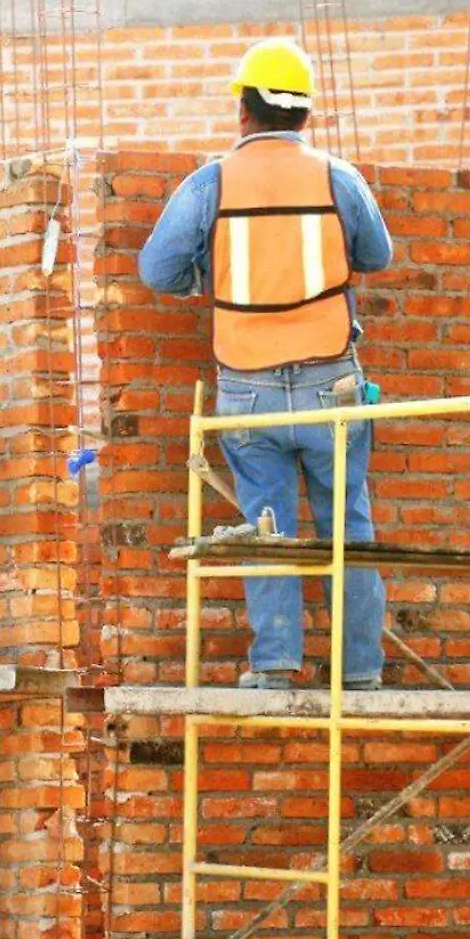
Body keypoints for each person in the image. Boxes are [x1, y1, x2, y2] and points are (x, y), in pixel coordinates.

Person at [137, 38, 395, 691]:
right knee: (350, 529)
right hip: (330, 384)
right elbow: (377, 255)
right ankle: (360, 673)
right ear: (304, 114)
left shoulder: (211, 182)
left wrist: (209, 274)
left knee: (267, 530)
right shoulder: (338, 177)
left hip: (246, 388)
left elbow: (156, 269)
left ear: (243, 110)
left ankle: (276, 666)